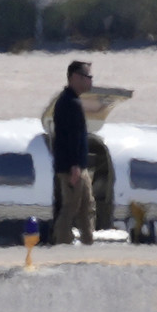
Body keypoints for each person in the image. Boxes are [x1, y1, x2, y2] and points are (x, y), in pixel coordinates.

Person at [52, 60, 95, 245]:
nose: (90, 81)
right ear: (75, 78)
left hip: (79, 166)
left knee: (87, 207)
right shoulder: (69, 102)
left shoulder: (72, 101)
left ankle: (88, 243)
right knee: (71, 207)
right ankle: (61, 243)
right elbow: (70, 138)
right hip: (73, 167)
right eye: (87, 77)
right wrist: (74, 166)